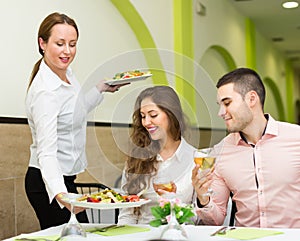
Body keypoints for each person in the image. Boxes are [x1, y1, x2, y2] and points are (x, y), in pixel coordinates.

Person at [25, 12, 126, 229]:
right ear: (42, 43)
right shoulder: (46, 92)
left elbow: (76, 111)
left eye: (72, 44)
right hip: (47, 183)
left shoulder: (67, 74)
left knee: (83, 233)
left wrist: (101, 88)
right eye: (60, 44)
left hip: (64, 179)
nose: (68, 51)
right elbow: (47, 151)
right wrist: (61, 195)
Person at [192, 67, 300, 228]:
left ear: (251, 99)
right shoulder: (221, 151)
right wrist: (203, 199)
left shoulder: (296, 138)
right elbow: (215, 220)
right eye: (219, 105)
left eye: (227, 103)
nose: (221, 112)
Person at [118, 86, 196, 224]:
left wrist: (174, 202)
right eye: (143, 116)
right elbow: (127, 215)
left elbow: (198, 218)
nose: (146, 122)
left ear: (172, 114)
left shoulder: (195, 159)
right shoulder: (137, 160)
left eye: (153, 115)